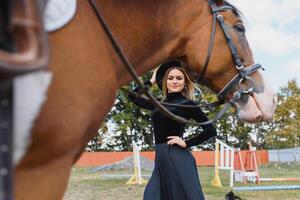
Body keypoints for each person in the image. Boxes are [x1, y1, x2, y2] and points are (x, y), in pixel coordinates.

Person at [128, 59, 217, 200]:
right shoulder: (158, 103)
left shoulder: (188, 104)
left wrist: (186, 143)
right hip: (161, 158)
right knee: (153, 195)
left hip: (178, 157)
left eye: (179, 78)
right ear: (165, 81)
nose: (174, 81)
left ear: (184, 82)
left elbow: (211, 131)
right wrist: (151, 80)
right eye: (170, 78)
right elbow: (132, 96)